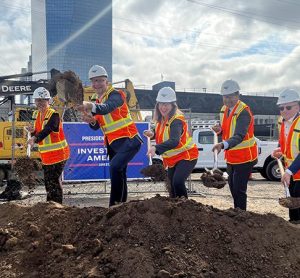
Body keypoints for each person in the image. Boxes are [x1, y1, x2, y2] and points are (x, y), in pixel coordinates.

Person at [76, 65, 142, 207]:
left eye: (99, 80)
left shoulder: (116, 95)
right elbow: (96, 126)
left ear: (107, 81)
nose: (96, 84)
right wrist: (91, 121)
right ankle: (122, 206)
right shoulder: (98, 101)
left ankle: (114, 206)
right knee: (120, 173)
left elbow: (106, 108)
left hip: (129, 140)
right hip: (114, 144)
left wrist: (89, 105)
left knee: (114, 167)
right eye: (94, 81)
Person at [144, 87, 199, 198]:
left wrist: (156, 148)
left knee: (177, 182)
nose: (163, 107)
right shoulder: (162, 119)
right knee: (172, 186)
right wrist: (153, 134)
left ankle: (185, 207)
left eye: (166, 104)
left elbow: (174, 141)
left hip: (186, 156)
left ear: (173, 105)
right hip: (173, 159)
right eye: (161, 104)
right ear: (157, 105)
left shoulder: (176, 119)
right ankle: (175, 208)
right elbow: (164, 134)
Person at [212, 80, 258, 210]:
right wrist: (219, 130)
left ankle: (241, 214)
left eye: (231, 96)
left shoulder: (243, 112)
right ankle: (238, 212)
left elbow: (239, 135)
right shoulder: (224, 110)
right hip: (232, 156)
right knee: (233, 187)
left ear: (238, 95)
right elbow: (227, 129)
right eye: (226, 97)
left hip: (244, 157)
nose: (228, 100)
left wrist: (223, 144)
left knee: (239, 189)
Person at [27, 87, 70, 204]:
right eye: (38, 100)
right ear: (35, 101)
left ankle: (56, 207)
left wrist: (35, 138)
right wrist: (32, 132)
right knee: (48, 181)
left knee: (53, 181)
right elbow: (39, 132)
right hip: (48, 157)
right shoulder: (38, 116)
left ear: (48, 101)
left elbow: (49, 129)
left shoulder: (53, 114)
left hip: (59, 154)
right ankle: (50, 205)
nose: (40, 103)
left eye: (43, 100)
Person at [271, 89, 300, 223]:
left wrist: (288, 172)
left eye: (288, 107)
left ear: (298, 106)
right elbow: (286, 143)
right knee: (292, 202)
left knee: (297, 201)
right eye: (281, 107)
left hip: (294, 170)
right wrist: (279, 150)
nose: (284, 110)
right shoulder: (281, 122)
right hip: (292, 171)